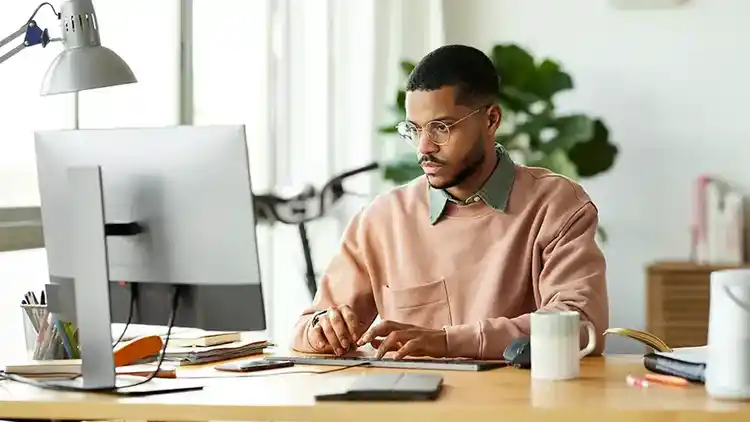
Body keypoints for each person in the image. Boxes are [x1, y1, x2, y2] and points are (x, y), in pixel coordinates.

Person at [291, 44, 609, 360]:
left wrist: (447, 342)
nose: (423, 148)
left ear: (491, 119)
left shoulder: (556, 206)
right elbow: (307, 328)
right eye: (414, 130)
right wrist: (322, 329)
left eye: (441, 128)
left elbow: (581, 327)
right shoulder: (381, 219)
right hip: (408, 409)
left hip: (515, 408)